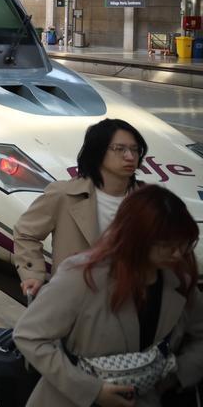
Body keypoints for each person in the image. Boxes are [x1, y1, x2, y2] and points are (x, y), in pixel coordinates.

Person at [13, 185, 203, 407]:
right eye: (167, 246)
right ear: (136, 239)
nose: (178, 254)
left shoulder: (179, 282)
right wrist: (92, 390)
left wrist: (177, 375)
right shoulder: (82, 276)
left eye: (184, 244)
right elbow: (28, 336)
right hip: (70, 400)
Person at [14, 118, 147, 298]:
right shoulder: (64, 194)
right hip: (74, 302)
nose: (130, 156)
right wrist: (33, 274)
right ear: (98, 152)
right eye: (119, 149)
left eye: (134, 149)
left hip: (130, 301)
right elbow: (26, 233)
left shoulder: (148, 201)